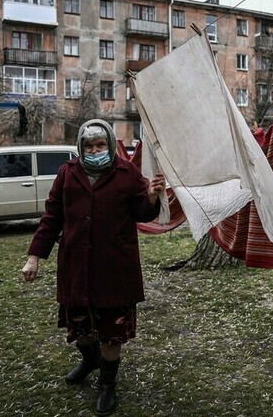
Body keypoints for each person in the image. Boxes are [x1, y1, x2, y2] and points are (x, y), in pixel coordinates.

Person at [21, 119, 165, 416]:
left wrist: (151, 196)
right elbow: (52, 217)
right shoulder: (68, 173)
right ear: (80, 147)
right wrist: (34, 256)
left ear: (111, 145)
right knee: (81, 327)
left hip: (114, 267)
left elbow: (142, 212)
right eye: (89, 145)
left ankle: (107, 386)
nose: (95, 150)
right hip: (76, 265)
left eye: (100, 145)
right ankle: (90, 360)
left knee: (111, 331)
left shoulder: (127, 173)